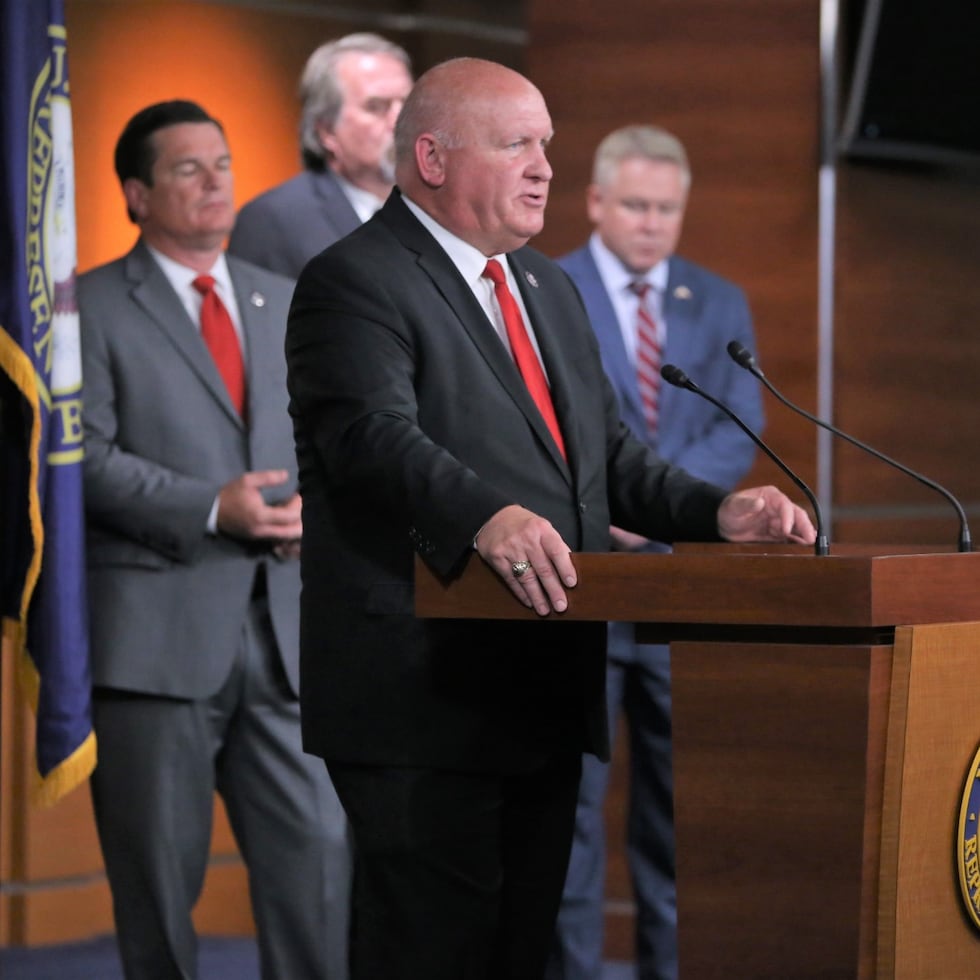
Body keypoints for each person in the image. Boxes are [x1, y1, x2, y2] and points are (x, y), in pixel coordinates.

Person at [284, 58, 815, 980]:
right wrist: (486, 514)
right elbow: (369, 438)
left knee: (518, 952)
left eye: (547, 146)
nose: (544, 167)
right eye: (517, 143)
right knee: (429, 952)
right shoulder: (355, 280)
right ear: (434, 157)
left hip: (538, 677)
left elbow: (608, 461)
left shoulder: (543, 289)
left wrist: (717, 512)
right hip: (420, 691)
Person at [79, 100, 349, 980]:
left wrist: (318, 509)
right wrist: (209, 506)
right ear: (135, 194)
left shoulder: (281, 300)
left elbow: (319, 439)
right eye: (188, 168)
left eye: (224, 163)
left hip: (284, 636)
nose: (215, 181)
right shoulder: (86, 307)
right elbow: (76, 461)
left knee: (317, 865)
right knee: (158, 887)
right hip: (154, 645)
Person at [547, 125, 764, 980]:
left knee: (677, 819)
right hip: (581, 584)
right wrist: (618, 503)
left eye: (667, 209)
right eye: (635, 205)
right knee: (569, 821)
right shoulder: (547, 288)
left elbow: (735, 425)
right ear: (597, 201)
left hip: (680, 593)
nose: (651, 223)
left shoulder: (718, 300)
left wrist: (663, 507)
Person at [228, 32, 413, 278]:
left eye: (410, 104)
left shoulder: (440, 208)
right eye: (376, 107)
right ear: (327, 130)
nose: (401, 121)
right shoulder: (272, 220)